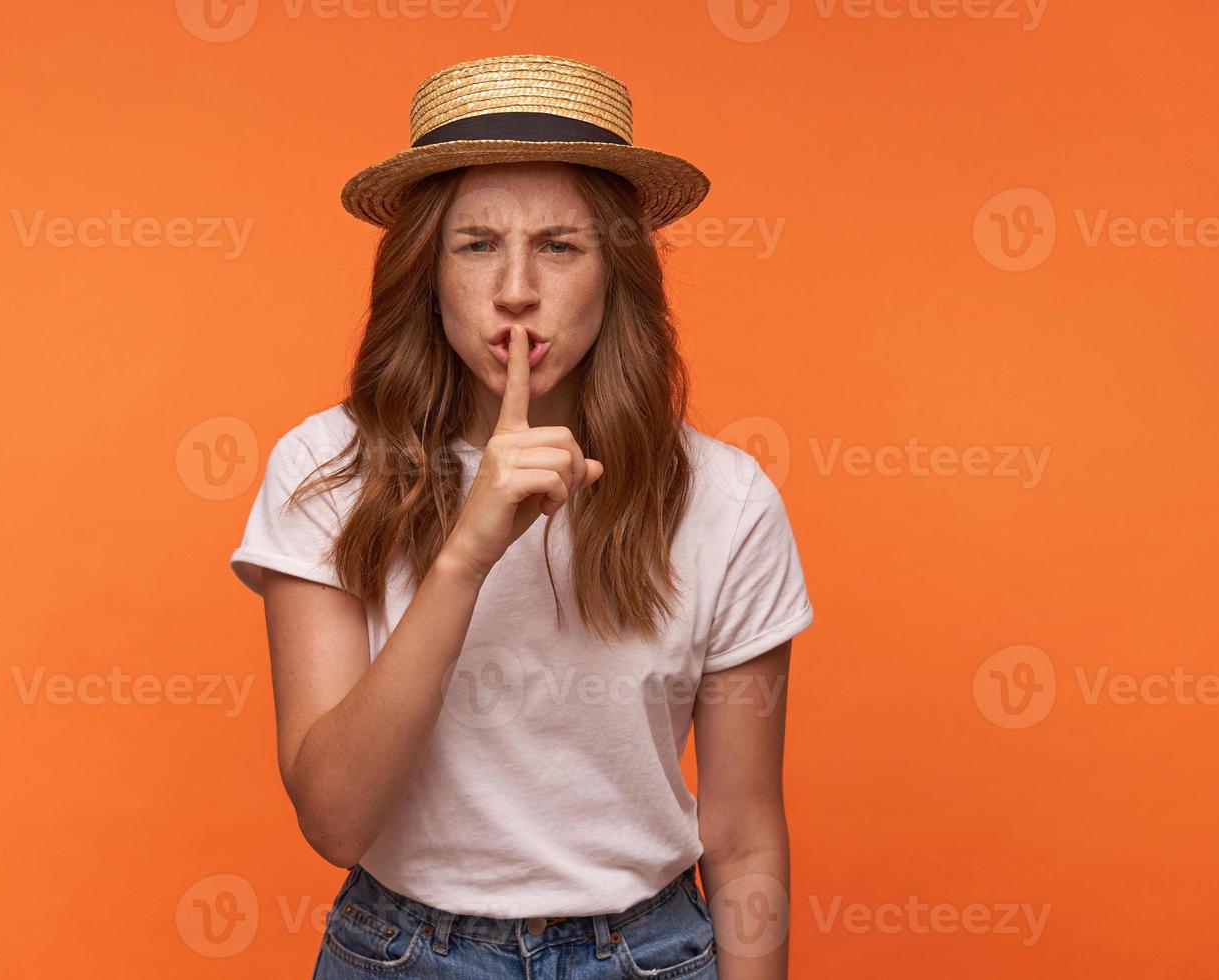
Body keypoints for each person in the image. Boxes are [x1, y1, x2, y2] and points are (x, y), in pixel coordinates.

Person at [229, 53, 814, 979]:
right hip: (401, 953)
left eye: (558, 244)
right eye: (475, 244)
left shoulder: (726, 499)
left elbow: (743, 838)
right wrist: (467, 552)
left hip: (648, 954)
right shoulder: (324, 468)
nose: (514, 288)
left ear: (615, 272)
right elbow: (334, 819)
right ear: (426, 271)